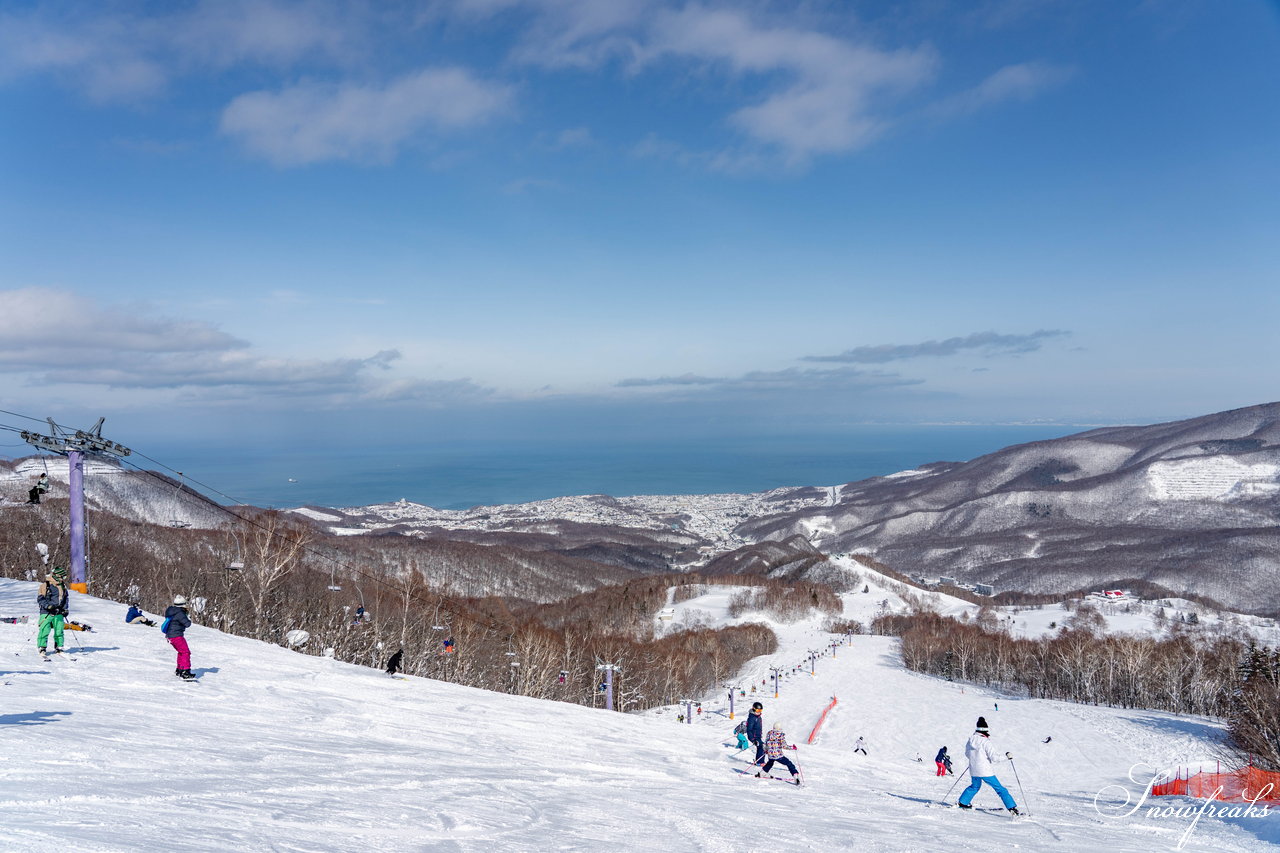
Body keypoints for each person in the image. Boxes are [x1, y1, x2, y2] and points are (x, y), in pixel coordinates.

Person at [957, 716, 1019, 814]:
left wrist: (975, 760)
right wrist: (1007, 757)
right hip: (985, 771)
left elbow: (967, 754)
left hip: (974, 769)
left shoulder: (970, 740)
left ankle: (963, 802)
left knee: (975, 786)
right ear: (985, 731)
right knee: (1000, 789)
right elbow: (995, 758)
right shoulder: (985, 742)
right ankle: (1012, 808)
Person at [36, 566, 69, 654]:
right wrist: (48, 606)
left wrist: (65, 609)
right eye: (63, 577)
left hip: (58, 612)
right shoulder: (45, 585)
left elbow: (65, 598)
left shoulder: (63, 586)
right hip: (47, 612)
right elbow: (40, 599)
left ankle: (59, 646)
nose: (63, 579)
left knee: (59, 629)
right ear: (58, 576)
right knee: (44, 629)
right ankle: (42, 647)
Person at [164, 595, 195, 680]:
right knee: (185, 652)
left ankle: (180, 669)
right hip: (176, 635)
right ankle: (185, 671)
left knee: (181, 652)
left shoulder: (172, 611)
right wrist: (187, 617)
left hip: (170, 636)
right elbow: (187, 624)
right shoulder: (179, 613)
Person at [746, 701, 766, 766]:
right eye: (757, 710)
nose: (759, 712)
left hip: (758, 736)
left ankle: (758, 761)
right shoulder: (752, 718)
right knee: (762, 746)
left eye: (760, 710)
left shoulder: (758, 717)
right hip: (753, 736)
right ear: (754, 708)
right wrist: (753, 739)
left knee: (761, 747)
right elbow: (749, 730)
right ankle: (759, 762)